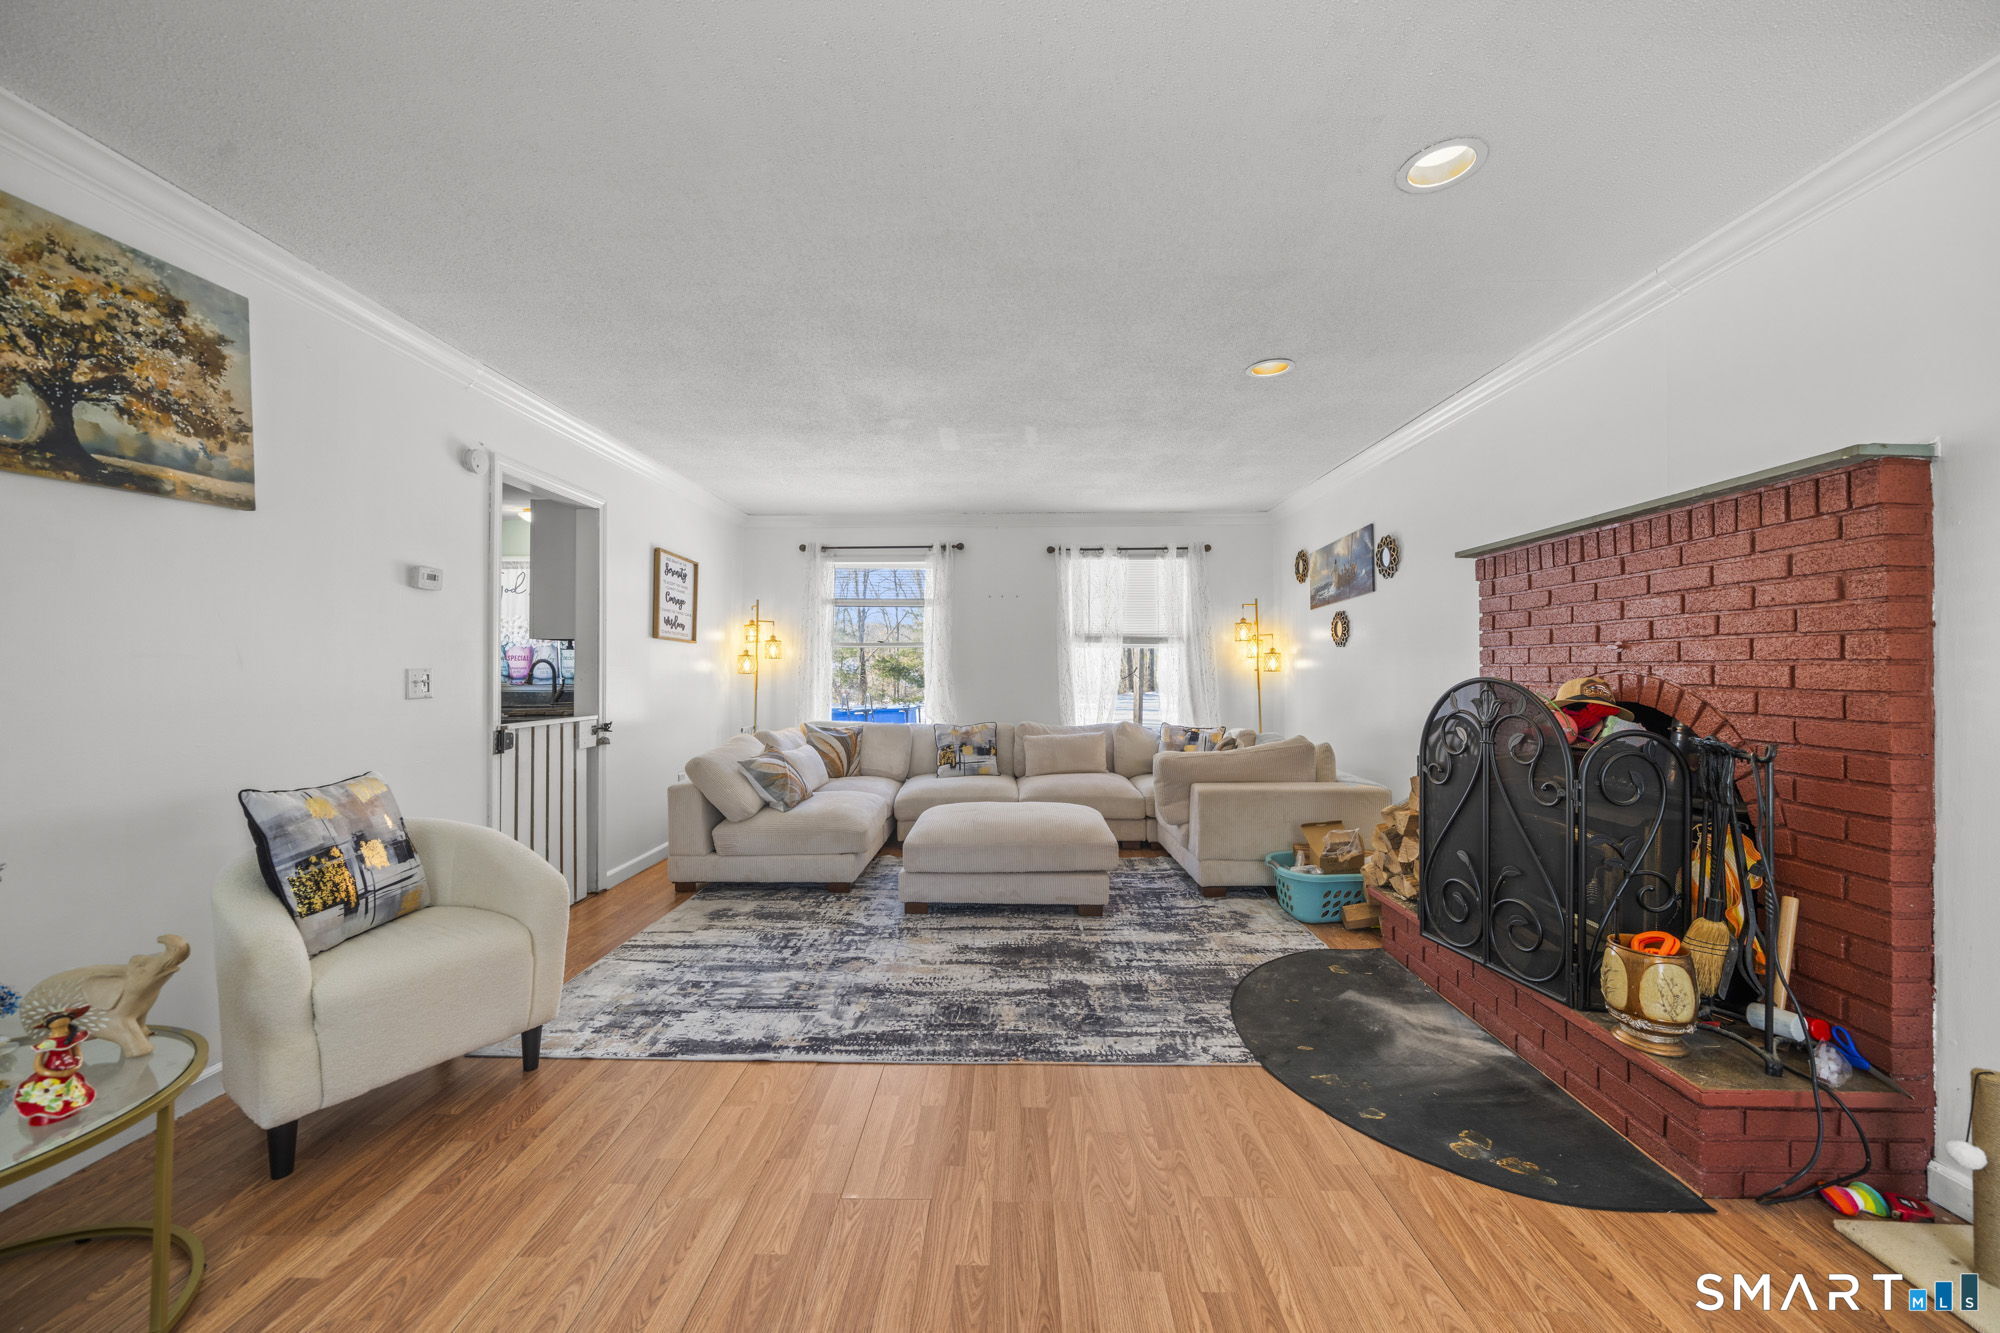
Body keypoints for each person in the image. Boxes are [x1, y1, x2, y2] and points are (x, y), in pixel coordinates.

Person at [13, 1006, 96, 1126]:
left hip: (69, 1074)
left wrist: (76, 1065)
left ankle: (69, 1113)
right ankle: (50, 1117)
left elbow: (77, 1053)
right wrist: (53, 1073)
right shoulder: (48, 1043)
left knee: (70, 1095)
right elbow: (38, 1066)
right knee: (49, 1097)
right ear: (49, 1025)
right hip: (51, 1079)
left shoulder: (72, 1038)